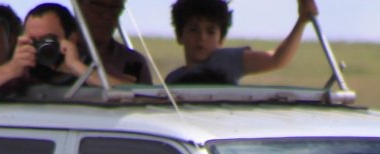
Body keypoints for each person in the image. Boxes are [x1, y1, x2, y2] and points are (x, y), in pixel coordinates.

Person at [0, 3, 109, 106]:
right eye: (34, 40)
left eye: (48, 39)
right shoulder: (21, 71)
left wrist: (77, 68)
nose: (42, 47)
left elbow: (127, 93)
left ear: (71, 38)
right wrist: (11, 69)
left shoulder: (91, 69)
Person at [166, 0, 318, 86]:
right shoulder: (173, 79)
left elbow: (276, 59)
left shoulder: (226, 60)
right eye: (193, 30)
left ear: (221, 39)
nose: (202, 37)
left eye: (210, 31)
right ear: (180, 36)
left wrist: (301, 21)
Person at [76, 0, 151, 84]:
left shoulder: (132, 62)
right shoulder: (60, 54)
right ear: (78, 7)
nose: (106, 16)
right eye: (97, 6)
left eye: (114, 9)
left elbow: (140, 95)